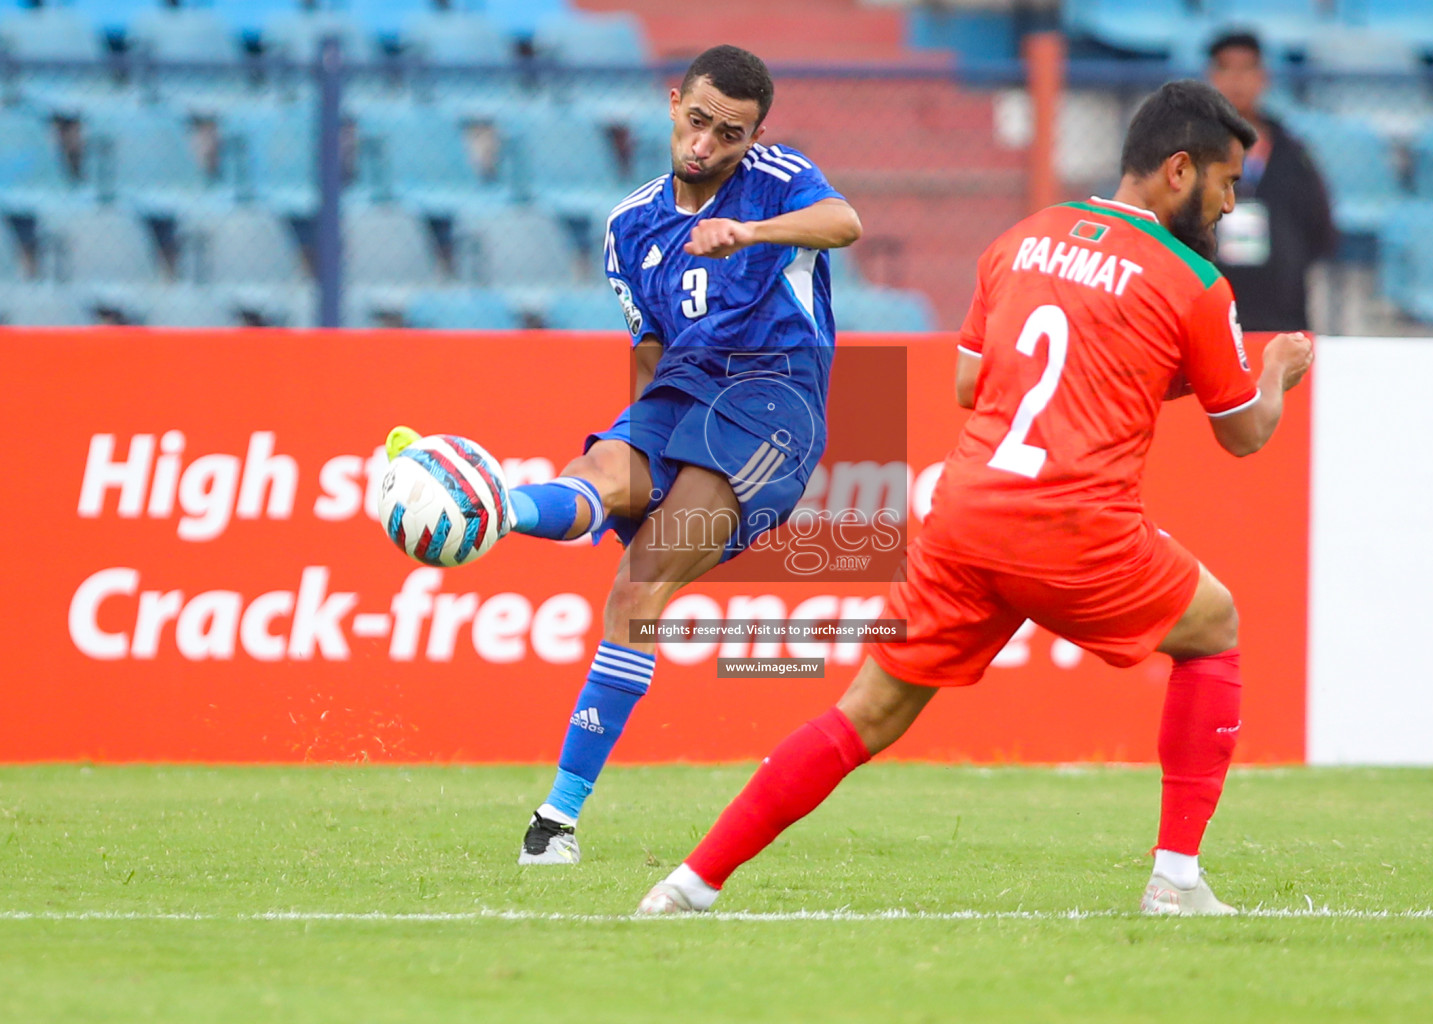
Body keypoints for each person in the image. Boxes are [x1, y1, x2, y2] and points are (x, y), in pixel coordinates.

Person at [635, 80, 1315, 917]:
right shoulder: (1193, 281)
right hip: (1074, 524)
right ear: (1180, 170)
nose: (1228, 201)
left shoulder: (1023, 239)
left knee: (868, 713)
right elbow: (1243, 433)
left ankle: (689, 883)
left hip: (964, 515)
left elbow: (969, 381)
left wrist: (1124, 376)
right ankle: (1175, 879)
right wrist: (1276, 368)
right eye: (1226, 181)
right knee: (1215, 631)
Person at [392, 45, 861, 866]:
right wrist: (637, 440)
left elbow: (845, 225)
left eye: (732, 132)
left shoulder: (779, 179)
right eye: (699, 120)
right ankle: (491, 508)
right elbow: (647, 351)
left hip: (771, 402)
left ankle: (557, 819)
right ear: (674, 102)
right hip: (678, 390)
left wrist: (746, 230)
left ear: (755, 135)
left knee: (639, 583)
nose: (708, 143)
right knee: (601, 478)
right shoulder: (630, 227)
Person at [1206, 29, 1337, 331]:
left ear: (1263, 77)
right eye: (1226, 68)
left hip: (1281, 311)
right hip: (1213, 309)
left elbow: (1319, 227)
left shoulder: (1292, 152)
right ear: (1211, 78)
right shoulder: (1192, 153)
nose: (1236, 80)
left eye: (1247, 68)